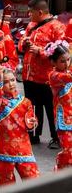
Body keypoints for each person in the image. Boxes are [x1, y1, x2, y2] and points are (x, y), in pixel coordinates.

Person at [18, 0, 66, 148]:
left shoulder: (57, 27)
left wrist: (41, 51)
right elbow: (21, 43)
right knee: (32, 106)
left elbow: (62, 51)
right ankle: (33, 134)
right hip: (28, 75)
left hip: (47, 77)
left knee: (51, 108)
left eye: (30, 12)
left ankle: (56, 137)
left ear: (39, 12)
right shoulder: (31, 25)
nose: (28, 15)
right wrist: (24, 44)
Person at [0, 67, 40, 186]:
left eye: (12, 80)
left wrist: (33, 122)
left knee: (35, 183)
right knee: (7, 187)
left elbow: (30, 120)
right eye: (5, 82)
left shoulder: (26, 101)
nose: (10, 84)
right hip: (4, 150)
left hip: (24, 148)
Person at [45, 40, 72, 170]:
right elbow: (67, 78)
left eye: (68, 60)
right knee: (68, 152)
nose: (67, 63)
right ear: (53, 62)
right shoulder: (54, 76)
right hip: (64, 121)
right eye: (62, 61)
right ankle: (60, 168)